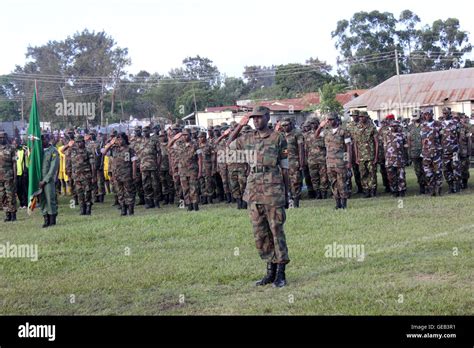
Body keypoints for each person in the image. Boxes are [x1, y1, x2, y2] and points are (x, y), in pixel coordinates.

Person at [226, 106, 290, 288]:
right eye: (253, 118)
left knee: (276, 231)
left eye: (260, 118)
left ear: (268, 117)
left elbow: (285, 167)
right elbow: (229, 145)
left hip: (273, 189)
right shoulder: (247, 138)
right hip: (253, 190)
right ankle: (270, 271)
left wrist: (287, 193)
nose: (256, 121)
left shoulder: (279, 138)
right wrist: (240, 125)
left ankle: (281, 273)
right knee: (260, 233)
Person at [315, 112, 352, 209]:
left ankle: (344, 204)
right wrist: (320, 126)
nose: (330, 122)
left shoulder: (343, 131)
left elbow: (348, 147)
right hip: (329, 162)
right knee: (333, 183)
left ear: (337, 120)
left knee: (342, 183)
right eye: (328, 120)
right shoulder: (327, 131)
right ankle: (337, 203)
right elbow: (316, 136)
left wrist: (348, 161)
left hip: (340, 162)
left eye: (331, 119)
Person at [102, 133, 137, 216]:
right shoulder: (114, 149)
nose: (119, 141)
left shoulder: (129, 149)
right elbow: (103, 152)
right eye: (118, 139)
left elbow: (134, 162)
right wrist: (110, 144)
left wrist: (134, 174)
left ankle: (130, 209)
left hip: (127, 174)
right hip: (116, 175)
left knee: (129, 192)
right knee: (120, 193)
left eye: (121, 139)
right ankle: (123, 209)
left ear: (125, 139)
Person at [169, 128, 203, 211]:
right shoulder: (179, 144)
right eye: (183, 135)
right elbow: (169, 146)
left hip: (192, 170)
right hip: (182, 170)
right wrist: (174, 138)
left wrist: (200, 171)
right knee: (185, 188)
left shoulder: (195, 144)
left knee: (193, 188)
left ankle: (195, 205)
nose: (185, 136)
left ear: (190, 135)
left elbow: (200, 158)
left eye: (186, 135)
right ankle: (189, 205)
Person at [353, 111, 378, 198]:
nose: (361, 118)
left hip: (370, 155)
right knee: (363, 174)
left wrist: (376, 156)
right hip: (361, 156)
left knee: (372, 174)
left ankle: (373, 190)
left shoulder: (372, 127)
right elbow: (355, 144)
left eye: (362, 117)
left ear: (366, 117)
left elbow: (376, 142)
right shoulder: (356, 128)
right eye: (360, 117)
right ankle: (366, 190)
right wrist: (356, 157)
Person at [281, 118, 304, 207]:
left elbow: (301, 148)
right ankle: (288, 201)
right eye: (283, 126)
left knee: (296, 182)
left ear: (291, 124)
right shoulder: (282, 135)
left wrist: (301, 163)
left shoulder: (297, 134)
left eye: (286, 125)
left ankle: (296, 203)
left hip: (294, 162)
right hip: (285, 162)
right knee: (286, 182)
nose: (285, 127)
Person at [136, 126, 161, 209]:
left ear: (149, 131)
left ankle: (156, 202)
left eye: (146, 131)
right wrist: (139, 164)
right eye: (143, 131)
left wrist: (158, 163)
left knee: (155, 185)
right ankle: (149, 202)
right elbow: (138, 155)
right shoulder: (140, 142)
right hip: (144, 166)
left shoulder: (154, 141)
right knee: (146, 185)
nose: (144, 132)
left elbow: (159, 154)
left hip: (153, 166)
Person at [71, 135, 96, 215]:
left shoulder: (88, 151)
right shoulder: (73, 151)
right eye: (77, 142)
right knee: (79, 193)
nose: (78, 144)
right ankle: (82, 209)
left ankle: (88, 209)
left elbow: (92, 164)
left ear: (83, 142)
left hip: (86, 175)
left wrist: (93, 176)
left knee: (87, 192)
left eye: (80, 142)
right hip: (77, 176)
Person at [382, 115, 407, 197]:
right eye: (392, 126)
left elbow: (405, 146)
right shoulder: (386, 134)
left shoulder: (402, 135)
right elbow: (384, 147)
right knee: (391, 177)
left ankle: (401, 191)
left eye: (396, 126)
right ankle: (394, 190)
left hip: (399, 159)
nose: (394, 127)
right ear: (390, 126)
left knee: (401, 176)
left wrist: (405, 157)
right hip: (389, 159)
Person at [420, 109, 443, 196]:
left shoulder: (438, 124)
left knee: (438, 172)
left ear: (432, 114)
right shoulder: (422, 125)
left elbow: (442, 138)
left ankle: (439, 190)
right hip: (426, 153)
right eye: (425, 114)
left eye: (428, 114)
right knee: (428, 173)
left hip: (436, 152)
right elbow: (421, 140)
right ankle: (431, 190)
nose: (427, 116)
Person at [305, 118, 329, 199]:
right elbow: (306, 148)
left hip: (322, 159)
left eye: (314, 123)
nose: (312, 125)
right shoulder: (307, 135)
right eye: (311, 124)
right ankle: (317, 193)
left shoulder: (323, 134)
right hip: (311, 160)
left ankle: (324, 193)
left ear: (318, 124)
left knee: (324, 177)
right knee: (314, 177)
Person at [39, 133, 60, 227]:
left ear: (49, 139)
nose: (43, 141)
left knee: (50, 199)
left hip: (48, 180)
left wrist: (45, 180)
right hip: (39, 181)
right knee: (42, 199)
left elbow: (53, 168)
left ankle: (52, 219)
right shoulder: (38, 151)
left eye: (45, 139)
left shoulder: (53, 151)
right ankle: (45, 219)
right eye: (42, 139)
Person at [440, 107, 461, 193]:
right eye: (443, 113)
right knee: (446, 169)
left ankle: (457, 187)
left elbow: (459, 135)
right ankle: (451, 187)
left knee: (456, 168)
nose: (444, 114)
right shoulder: (440, 124)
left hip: (454, 151)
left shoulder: (455, 123)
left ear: (449, 113)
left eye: (446, 113)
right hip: (445, 152)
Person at [0, 131, 17, 222]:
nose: (1, 139)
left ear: (6, 137)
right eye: (0, 138)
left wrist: (15, 176)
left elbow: (14, 164)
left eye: (3, 137)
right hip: (0, 178)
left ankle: (13, 214)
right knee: (2, 196)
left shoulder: (11, 148)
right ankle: (7, 214)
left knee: (10, 196)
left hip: (8, 176)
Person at [407, 111, 425, 194]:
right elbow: (408, 140)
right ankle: (421, 187)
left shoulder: (425, 126)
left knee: (426, 169)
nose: (415, 117)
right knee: (418, 170)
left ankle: (428, 185)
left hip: (424, 151)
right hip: (414, 152)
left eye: (416, 116)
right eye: (413, 116)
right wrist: (409, 152)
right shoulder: (410, 127)